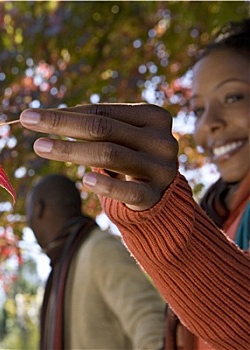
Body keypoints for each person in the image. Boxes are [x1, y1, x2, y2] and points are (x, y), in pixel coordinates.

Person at [19, 19, 249, 350]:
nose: (209, 124)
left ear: (39, 210)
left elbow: (151, 324)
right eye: (198, 109)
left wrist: (161, 217)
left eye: (233, 97)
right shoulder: (216, 215)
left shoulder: (98, 251)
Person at [26, 174, 166, 350]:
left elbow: (149, 320)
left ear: (39, 208)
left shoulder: (99, 248)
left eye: (28, 214)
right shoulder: (63, 266)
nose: (29, 223)